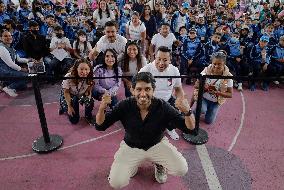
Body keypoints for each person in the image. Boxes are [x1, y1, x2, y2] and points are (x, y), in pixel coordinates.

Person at [95, 72, 195, 189]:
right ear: (132, 90)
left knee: (181, 169)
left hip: (156, 144)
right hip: (131, 146)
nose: (143, 94)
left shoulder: (163, 107)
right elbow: (100, 126)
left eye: (147, 89)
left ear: (153, 90)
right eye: (139, 89)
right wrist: (101, 108)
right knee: (116, 183)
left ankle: (159, 163)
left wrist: (187, 112)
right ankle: (133, 165)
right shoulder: (124, 105)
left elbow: (190, 129)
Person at [139, 46, 184, 140]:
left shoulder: (174, 70)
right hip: (150, 102)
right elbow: (135, 88)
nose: (161, 63)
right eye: (159, 59)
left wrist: (180, 100)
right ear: (155, 57)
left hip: (167, 99)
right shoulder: (146, 70)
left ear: (170, 60)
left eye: (165, 60)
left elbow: (178, 89)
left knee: (176, 113)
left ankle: (170, 128)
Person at [191, 51, 233, 124]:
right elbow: (196, 85)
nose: (216, 66)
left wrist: (217, 92)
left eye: (219, 64)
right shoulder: (206, 70)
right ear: (212, 62)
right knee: (202, 110)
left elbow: (230, 94)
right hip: (203, 97)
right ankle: (196, 111)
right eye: (214, 64)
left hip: (216, 102)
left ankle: (209, 110)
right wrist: (204, 87)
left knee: (209, 121)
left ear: (224, 64)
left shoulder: (229, 76)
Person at [59, 58, 95, 125]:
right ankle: (64, 107)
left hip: (82, 93)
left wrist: (87, 99)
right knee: (74, 121)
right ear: (76, 69)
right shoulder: (68, 76)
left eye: (86, 69)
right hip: (70, 95)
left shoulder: (92, 77)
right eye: (81, 69)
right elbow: (66, 92)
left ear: (90, 69)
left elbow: (89, 90)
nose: (84, 72)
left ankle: (88, 116)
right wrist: (69, 106)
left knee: (90, 101)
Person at [0, 29, 30, 97]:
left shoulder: (12, 48)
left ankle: (6, 84)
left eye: (10, 36)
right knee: (27, 76)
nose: (9, 37)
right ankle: (8, 88)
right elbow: (10, 64)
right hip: (4, 72)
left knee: (23, 86)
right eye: (5, 36)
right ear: (1, 38)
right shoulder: (1, 48)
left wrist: (29, 60)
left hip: (9, 70)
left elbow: (19, 59)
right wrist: (21, 69)